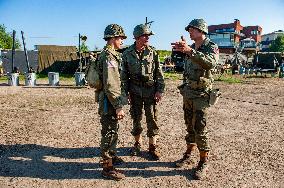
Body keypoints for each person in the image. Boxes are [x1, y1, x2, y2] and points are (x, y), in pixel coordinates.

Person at [171, 18, 219, 180]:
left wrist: (190, 52)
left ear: (201, 30)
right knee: (189, 126)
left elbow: (211, 64)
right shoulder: (191, 47)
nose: (189, 32)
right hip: (188, 93)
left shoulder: (211, 46)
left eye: (191, 30)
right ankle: (189, 154)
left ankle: (203, 161)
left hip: (201, 95)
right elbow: (184, 69)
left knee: (200, 127)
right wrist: (181, 51)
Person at [121, 24, 165, 160]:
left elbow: (159, 73)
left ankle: (153, 147)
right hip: (134, 91)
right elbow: (124, 76)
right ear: (137, 37)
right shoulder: (127, 53)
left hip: (150, 90)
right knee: (136, 118)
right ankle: (137, 144)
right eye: (145, 35)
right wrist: (125, 92)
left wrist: (159, 90)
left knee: (152, 119)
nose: (147, 38)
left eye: (148, 36)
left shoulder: (153, 52)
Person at [98, 24, 127, 181]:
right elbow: (111, 84)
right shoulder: (109, 56)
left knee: (113, 129)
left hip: (109, 100)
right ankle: (107, 168)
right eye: (120, 38)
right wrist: (118, 106)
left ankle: (112, 157)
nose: (122, 40)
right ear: (113, 38)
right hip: (109, 102)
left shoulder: (110, 54)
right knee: (109, 133)